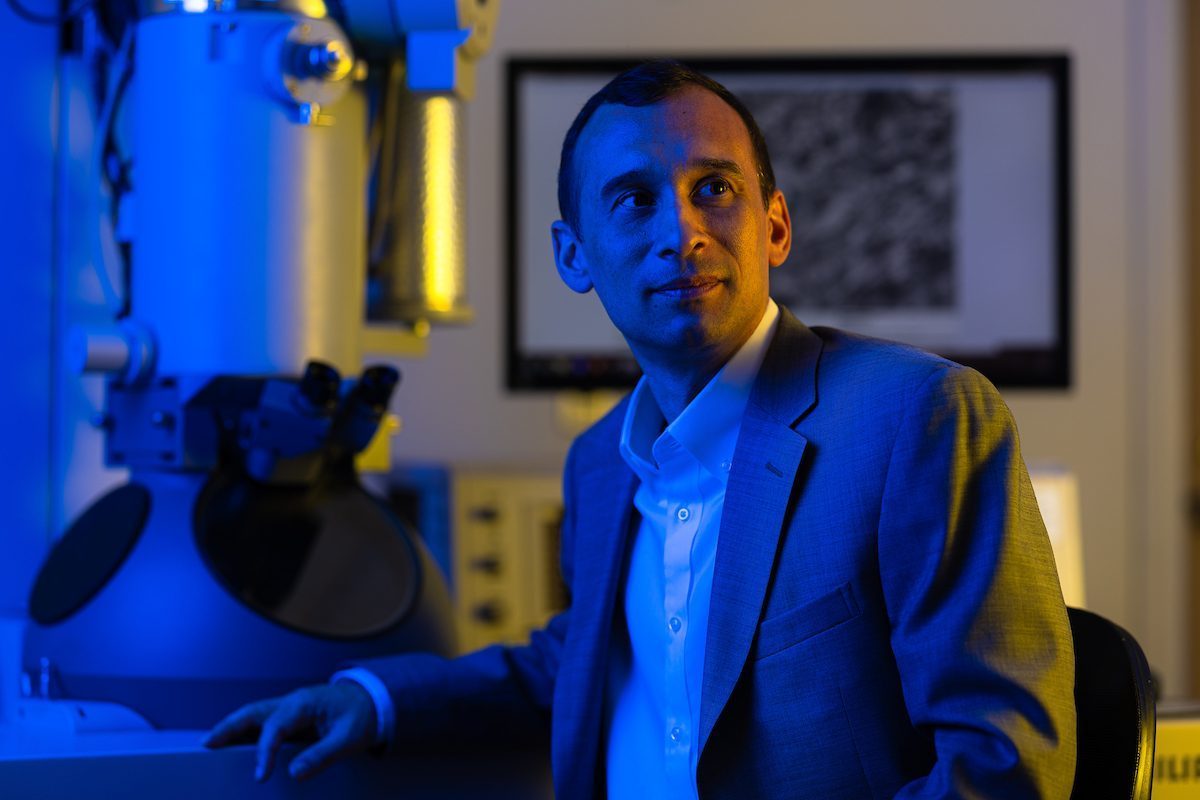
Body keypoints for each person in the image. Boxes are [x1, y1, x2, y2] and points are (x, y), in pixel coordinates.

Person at [206, 60, 1076, 798]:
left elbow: (1004, 763)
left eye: (715, 190)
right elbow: (585, 659)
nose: (682, 233)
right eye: (633, 200)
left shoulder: (916, 416)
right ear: (574, 256)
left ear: (774, 226)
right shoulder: (599, 464)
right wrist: (375, 699)